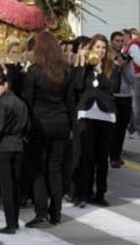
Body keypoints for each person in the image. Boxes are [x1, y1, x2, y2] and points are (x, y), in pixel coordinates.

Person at [22, 31, 75, 227]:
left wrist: (25, 129)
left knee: (38, 168)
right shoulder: (65, 70)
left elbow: (28, 101)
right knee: (55, 169)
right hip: (61, 123)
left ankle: (41, 211)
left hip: (40, 124)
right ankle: (56, 213)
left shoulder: (34, 71)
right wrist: (71, 127)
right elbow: (71, 102)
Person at [72, 34, 120, 208]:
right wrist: (83, 65)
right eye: (97, 47)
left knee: (101, 157)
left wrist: (100, 71)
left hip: (106, 116)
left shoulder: (112, 67)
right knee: (86, 155)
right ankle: (82, 193)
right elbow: (77, 86)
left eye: (103, 48)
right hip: (86, 114)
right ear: (91, 48)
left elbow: (113, 88)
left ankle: (100, 193)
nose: (100, 50)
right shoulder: (83, 65)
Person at [0, 71, 28, 235]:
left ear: (5, 85)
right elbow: (26, 124)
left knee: (7, 187)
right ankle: (14, 221)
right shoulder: (20, 102)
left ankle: (10, 224)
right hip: (18, 146)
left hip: (3, 148)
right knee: (15, 185)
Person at [109, 31, 132, 168]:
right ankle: (112, 155)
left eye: (122, 41)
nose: (119, 43)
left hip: (125, 97)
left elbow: (131, 80)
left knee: (122, 128)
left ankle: (117, 155)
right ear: (111, 41)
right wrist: (114, 65)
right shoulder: (106, 56)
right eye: (117, 40)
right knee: (113, 128)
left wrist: (123, 66)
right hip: (112, 97)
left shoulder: (127, 58)